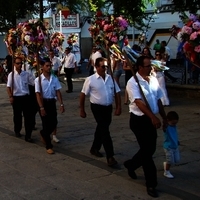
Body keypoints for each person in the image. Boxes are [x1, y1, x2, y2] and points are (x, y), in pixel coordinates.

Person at [124, 56, 167, 198]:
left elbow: (158, 99)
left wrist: (163, 117)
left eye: (150, 65)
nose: (150, 68)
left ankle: (131, 164)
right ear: (140, 67)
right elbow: (139, 103)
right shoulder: (132, 82)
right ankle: (151, 184)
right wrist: (153, 117)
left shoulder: (153, 79)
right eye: (148, 66)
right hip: (139, 121)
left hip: (151, 120)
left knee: (150, 149)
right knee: (148, 153)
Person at [79, 57, 121, 167]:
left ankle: (94, 148)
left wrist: (118, 107)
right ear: (96, 67)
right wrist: (82, 109)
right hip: (97, 108)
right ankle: (110, 156)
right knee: (105, 131)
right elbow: (83, 95)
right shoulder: (91, 79)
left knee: (101, 128)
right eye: (102, 67)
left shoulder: (110, 78)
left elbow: (117, 93)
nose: (105, 69)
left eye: (106, 67)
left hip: (108, 108)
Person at [35, 57, 65, 154]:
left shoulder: (54, 78)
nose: (49, 67)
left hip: (52, 102)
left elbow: (58, 91)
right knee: (45, 123)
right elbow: (38, 94)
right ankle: (48, 146)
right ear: (42, 67)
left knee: (54, 122)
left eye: (50, 66)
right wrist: (41, 107)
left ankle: (44, 133)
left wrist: (61, 104)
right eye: (47, 66)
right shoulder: (38, 80)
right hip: (44, 103)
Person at [7, 56, 35, 142]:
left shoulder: (26, 74)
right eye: (18, 63)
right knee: (17, 116)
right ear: (14, 64)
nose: (19, 65)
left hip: (26, 97)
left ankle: (28, 135)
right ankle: (17, 130)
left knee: (28, 117)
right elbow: (8, 87)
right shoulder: (11, 75)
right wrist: (11, 96)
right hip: (16, 98)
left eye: (21, 63)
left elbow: (34, 83)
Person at [163, 111, 180, 179]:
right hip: (168, 146)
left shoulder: (174, 126)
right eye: (173, 123)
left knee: (177, 160)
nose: (174, 124)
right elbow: (164, 127)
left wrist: (177, 141)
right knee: (170, 161)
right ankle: (166, 171)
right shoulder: (167, 127)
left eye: (175, 123)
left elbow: (175, 134)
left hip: (175, 145)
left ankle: (166, 164)